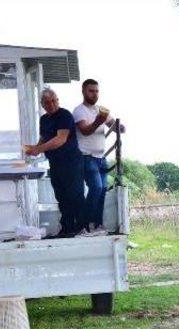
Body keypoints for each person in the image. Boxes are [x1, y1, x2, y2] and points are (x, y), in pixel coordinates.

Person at [26, 88, 85, 235]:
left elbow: (60, 139)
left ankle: (82, 227)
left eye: (54, 100)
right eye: (47, 102)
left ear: (57, 100)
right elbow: (44, 138)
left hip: (71, 162)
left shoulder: (64, 115)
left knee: (74, 195)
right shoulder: (44, 119)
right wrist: (34, 148)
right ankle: (67, 228)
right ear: (42, 105)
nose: (51, 104)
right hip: (55, 163)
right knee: (61, 196)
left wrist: (38, 149)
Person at [73, 79, 125, 235]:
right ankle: (83, 224)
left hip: (101, 157)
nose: (94, 94)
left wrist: (119, 127)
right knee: (95, 188)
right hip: (86, 156)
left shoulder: (100, 110)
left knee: (102, 190)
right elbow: (85, 130)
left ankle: (97, 224)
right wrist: (98, 121)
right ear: (83, 92)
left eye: (96, 91)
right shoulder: (79, 110)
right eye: (91, 91)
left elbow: (111, 124)